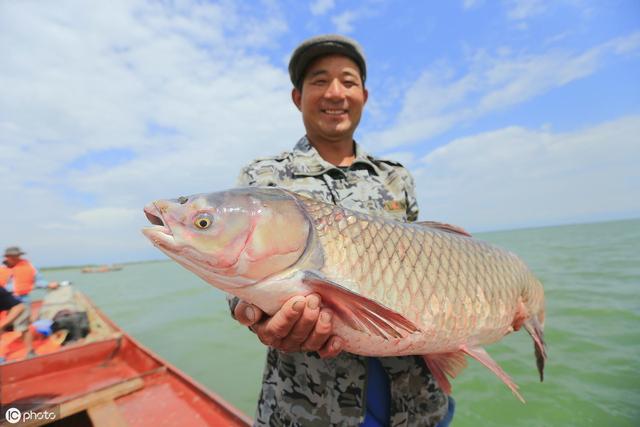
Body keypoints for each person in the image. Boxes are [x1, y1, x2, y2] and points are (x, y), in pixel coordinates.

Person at [228, 35, 454, 426]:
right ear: (297, 97)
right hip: (309, 409)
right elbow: (237, 279)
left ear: (364, 95)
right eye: (319, 81)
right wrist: (256, 316)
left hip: (414, 402)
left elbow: (426, 268)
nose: (335, 93)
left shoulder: (395, 177)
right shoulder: (263, 178)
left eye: (348, 81)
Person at [0, 285, 32, 356]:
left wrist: (3, 324)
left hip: (19, 309)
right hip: (5, 310)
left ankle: (30, 351)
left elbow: (20, 307)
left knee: (22, 328)